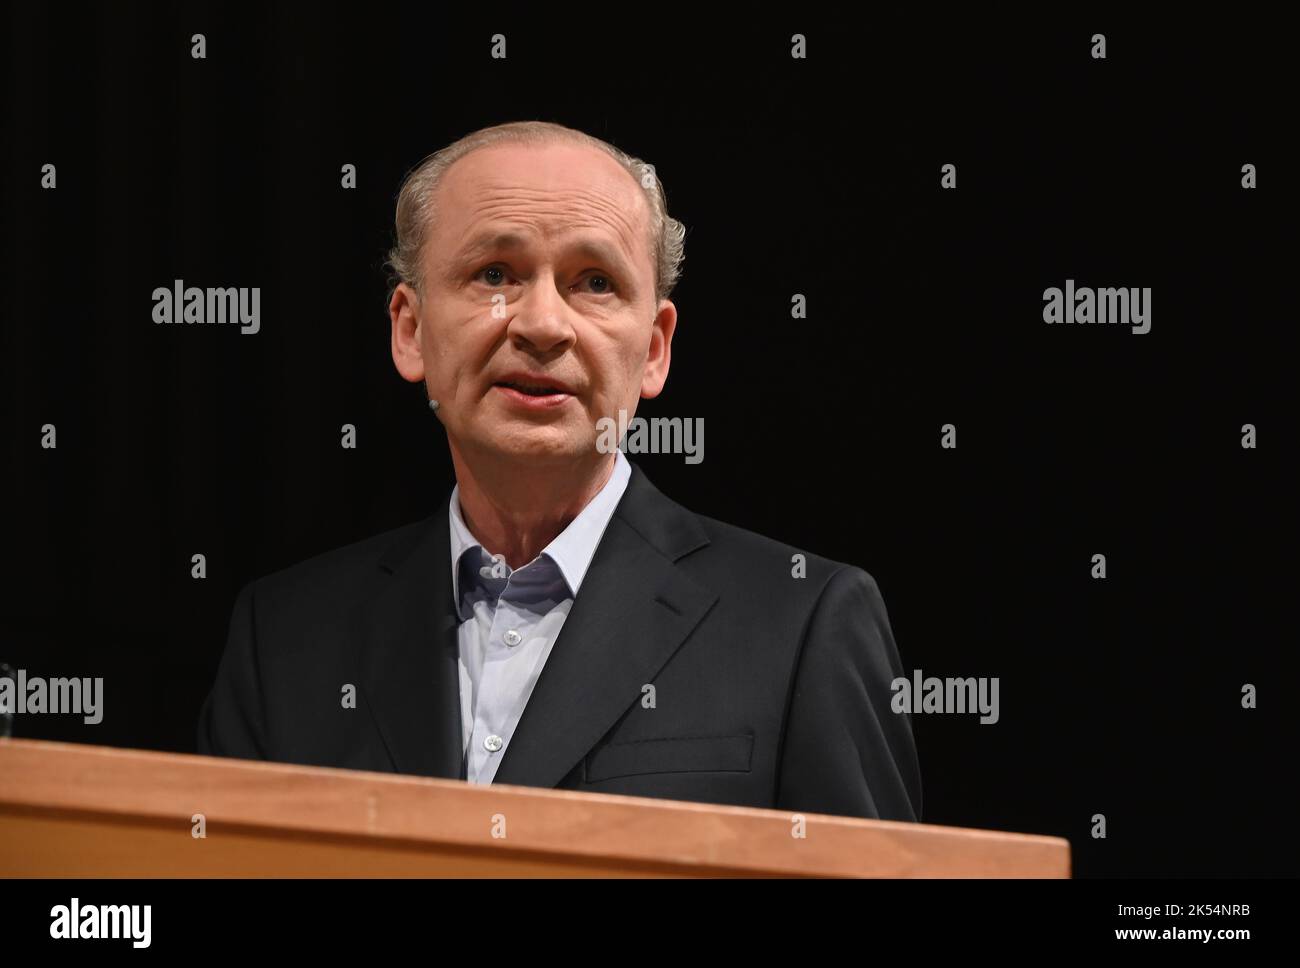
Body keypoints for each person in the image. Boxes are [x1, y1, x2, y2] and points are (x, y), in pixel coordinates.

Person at [197, 121, 921, 822]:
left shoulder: (803, 625)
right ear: (410, 330)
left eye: (595, 281)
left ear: (656, 349)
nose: (542, 324)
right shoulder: (284, 637)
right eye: (493, 274)